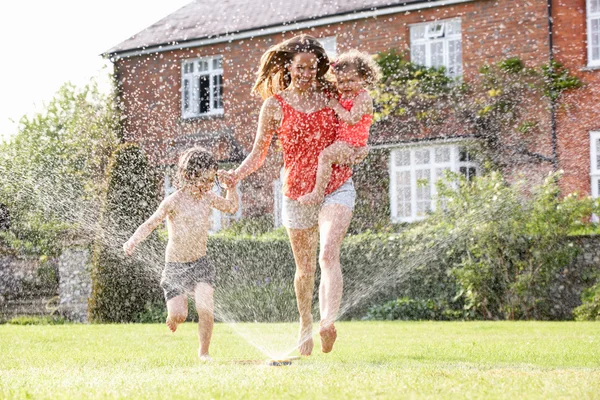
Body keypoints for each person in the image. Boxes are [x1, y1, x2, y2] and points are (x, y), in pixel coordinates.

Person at [223, 35, 367, 356]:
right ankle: (305, 321)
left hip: (336, 184)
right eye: (299, 67)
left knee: (328, 253)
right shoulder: (275, 105)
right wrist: (236, 174)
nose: (305, 73)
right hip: (296, 192)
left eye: (312, 67)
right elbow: (259, 153)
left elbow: (359, 116)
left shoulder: (332, 94)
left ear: (319, 67)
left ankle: (327, 321)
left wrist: (359, 146)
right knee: (304, 270)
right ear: (289, 67)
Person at [123, 147, 239, 361]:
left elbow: (231, 207)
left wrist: (231, 188)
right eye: (202, 180)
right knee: (180, 314)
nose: (206, 186)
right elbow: (150, 224)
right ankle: (173, 316)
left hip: (200, 263)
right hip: (175, 267)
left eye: (210, 181)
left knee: (206, 306)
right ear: (188, 176)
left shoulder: (207, 197)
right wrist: (133, 240)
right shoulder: (173, 202)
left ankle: (204, 352)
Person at [297, 49, 381, 205]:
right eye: (341, 82)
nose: (346, 85)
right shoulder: (346, 94)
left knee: (325, 156)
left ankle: (317, 193)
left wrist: (336, 106)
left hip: (351, 144)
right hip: (344, 142)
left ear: (362, 78)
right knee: (323, 158)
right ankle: (324, 192)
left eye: (351, 81)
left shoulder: (362, 97)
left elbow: (352, 119)